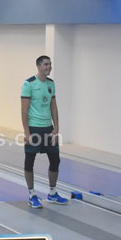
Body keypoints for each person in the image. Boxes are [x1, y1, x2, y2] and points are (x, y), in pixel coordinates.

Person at [21, 55, 69, 208]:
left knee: (55, 160)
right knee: (30, 161)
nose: (49, 67)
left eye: (50, 64)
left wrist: (56, 127)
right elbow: (24, 109)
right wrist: (27, 133)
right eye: (46, 64)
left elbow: (53, 105)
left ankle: (53, 193)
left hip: (48, 128)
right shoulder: (29, 84)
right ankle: (32, 195)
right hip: (34, 128)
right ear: (38, 66)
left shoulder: (50, 84)